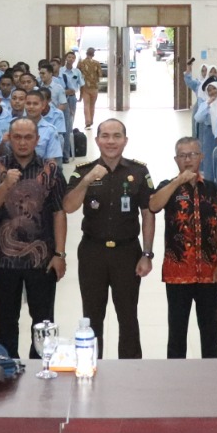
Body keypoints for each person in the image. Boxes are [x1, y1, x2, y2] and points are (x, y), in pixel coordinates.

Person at [63, 118, 153, 359]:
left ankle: (130, 369)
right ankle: (91, 366)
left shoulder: (138, 171)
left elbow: (148, 214)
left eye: (116, 136)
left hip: (127, 252)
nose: (111, 141)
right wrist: (87, 181)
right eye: (105, 136)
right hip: (93, 252)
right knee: (92, 316)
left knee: (128, 316)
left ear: (125, 140)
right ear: (97, 140)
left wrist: (147, 254)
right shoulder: (83, 171)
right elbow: (69, 206)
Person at [0, 118, 67, 359]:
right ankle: (9, 366)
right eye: (17, 137)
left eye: (28, 137)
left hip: (42, 259)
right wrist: (5, 185)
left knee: (43, 320)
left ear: (37, 140)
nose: (22, 142)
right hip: (3, 259)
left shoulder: (51, 169)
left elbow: (59, 212)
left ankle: (39, 366)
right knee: (6, 320)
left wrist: (60, 254)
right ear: (9, 138)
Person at [149, 137, 217, 359]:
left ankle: (210, 372)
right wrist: (177, 182)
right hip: (178, 273)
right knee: (177, 331)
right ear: (176, 159)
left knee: (210, 330)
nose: (187, 160)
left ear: (201, 157)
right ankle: (177, 375)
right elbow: (153, 205)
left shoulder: (213, 189)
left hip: (209, 271)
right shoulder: (167, 186)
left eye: (192, 154)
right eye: (182, 156)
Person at [78, 48, 103, 130]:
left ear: (86, 53)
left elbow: (78, 73)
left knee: (86, 105)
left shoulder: (81, 63)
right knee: (92, 105)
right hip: (94, 87)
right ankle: (91, 120)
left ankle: (87, 122)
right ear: (93, 54)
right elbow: (100, 74)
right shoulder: (97, 63)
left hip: (85, 86)